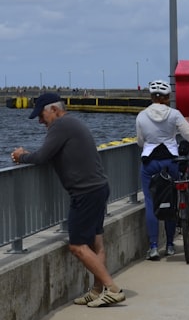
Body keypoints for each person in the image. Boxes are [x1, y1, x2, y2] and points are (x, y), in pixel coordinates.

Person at [11, 93, 125, 308]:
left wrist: (21, 156)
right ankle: (97, 290)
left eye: (42, 115)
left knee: (77, 246)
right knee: (96, 242)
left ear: (54, 110)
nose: (40, 121)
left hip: (85, 193)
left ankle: (112, 289)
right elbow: (51, 153)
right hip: (98, 188)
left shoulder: (61, 125)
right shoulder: (72, 123)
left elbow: (43, 157)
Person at [136, 79, 189, 260]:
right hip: (170, 161)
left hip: (149, 162)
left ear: (151, 96)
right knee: (172, 200)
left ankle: (154, 247)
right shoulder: (174, 114)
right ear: (167, 97)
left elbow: (140, 141)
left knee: (151, 203)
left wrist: (150, 142)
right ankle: (171, 245)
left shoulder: (141, 116)